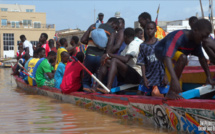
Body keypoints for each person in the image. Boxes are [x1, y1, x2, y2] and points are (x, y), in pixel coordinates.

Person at [154, 19, 215, 100]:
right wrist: (174, 79)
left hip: (176, 56)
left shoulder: (196, 41)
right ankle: (171, 93)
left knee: (182, 60)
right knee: (183, 58)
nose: (204, 39)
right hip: (162, 52)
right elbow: (167, 57)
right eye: (203, 36)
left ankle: (173, 93)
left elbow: (202, 59)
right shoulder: (179, 36)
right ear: (195, 30)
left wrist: (208, 77)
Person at [97, 28, 142, 93]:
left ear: (125, 36)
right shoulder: (128, 46)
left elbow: (125, 59)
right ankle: (98, 85)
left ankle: (108, 88)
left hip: (138, 75)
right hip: (130, 73)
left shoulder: (134, 44)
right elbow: (120, 58)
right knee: (106, 61)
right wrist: (107, 57)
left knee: (114, 61)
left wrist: (109, 54)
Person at [81, 17, 119, 91]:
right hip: (100, 57)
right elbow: (109, 49)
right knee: (101, 80)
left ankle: (85, 92)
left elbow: (82, 40)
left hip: (89, 56)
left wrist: (90, 42)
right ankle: (98, 94)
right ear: (113, 23)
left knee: (86, 79)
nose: (116, 29)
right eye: (116, 27)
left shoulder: (93, 26)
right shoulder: (112, 32)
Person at [137, 22, 169, 96]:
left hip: (160, 75)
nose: (149, 31)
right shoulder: (143, 46)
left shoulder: (160, 44)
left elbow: (166, 61)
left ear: (155, 30)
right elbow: (142, 63)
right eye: (147, 29)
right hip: (149, 75)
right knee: (140, 93)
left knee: (166, 94)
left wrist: (166, 75)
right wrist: (144, 77)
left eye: (151, 29)